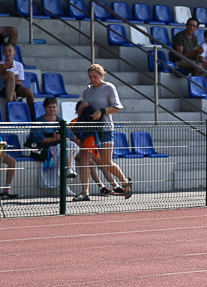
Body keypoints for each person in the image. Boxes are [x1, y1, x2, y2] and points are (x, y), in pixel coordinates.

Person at [78, 63, 133, 198]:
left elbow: (117, 107)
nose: (92, 79)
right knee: (85, 157)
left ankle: (125, 182)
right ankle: (85, 191)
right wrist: (83, 107)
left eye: (95, 77)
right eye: (90, 77)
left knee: (105, 162)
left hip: (105, 127)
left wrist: (101, 111)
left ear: (101, 75)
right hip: (91, 129)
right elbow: (82, 111)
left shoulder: (109, 87)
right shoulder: (87, 91)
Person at [25, 97, 79, 190]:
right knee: (68, 151)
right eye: (49, 107)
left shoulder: (61, 121)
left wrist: (63, 138)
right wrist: (54, 138)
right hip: (46, 149)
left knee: (72, 147)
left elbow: (70, 137)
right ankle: (66, 178)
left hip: (62, 147)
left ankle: (68, 170)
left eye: (54, 107)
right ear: (45, 108)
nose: (52, 109)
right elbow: (38, 139)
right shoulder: (39, 122)